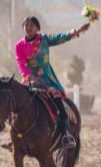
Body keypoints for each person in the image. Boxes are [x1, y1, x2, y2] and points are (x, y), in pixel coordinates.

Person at [15, 16, 92, 148]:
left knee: (58, 103)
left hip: (47, 80)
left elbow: (60, 37)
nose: (28, 28)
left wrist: (77, 31)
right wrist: (28, 76)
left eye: (31, 25)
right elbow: (20, 62)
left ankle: (66, 134)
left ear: (37, 28)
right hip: (29, 79)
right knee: (16, 102)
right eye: (26, 25)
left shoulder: (44, 40)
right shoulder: (19, 45)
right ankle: (14, 137)